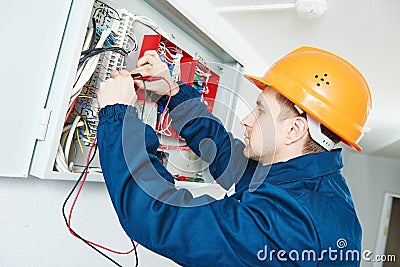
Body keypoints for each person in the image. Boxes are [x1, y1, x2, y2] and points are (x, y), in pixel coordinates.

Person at [96, 46, 371, 266]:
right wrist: (173, 93)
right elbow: (228, 156)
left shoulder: (294, 226)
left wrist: (119, 116)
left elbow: (160, 217)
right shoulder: (305, 180)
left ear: (294, 130)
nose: (248, 121)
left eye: (261, 111)